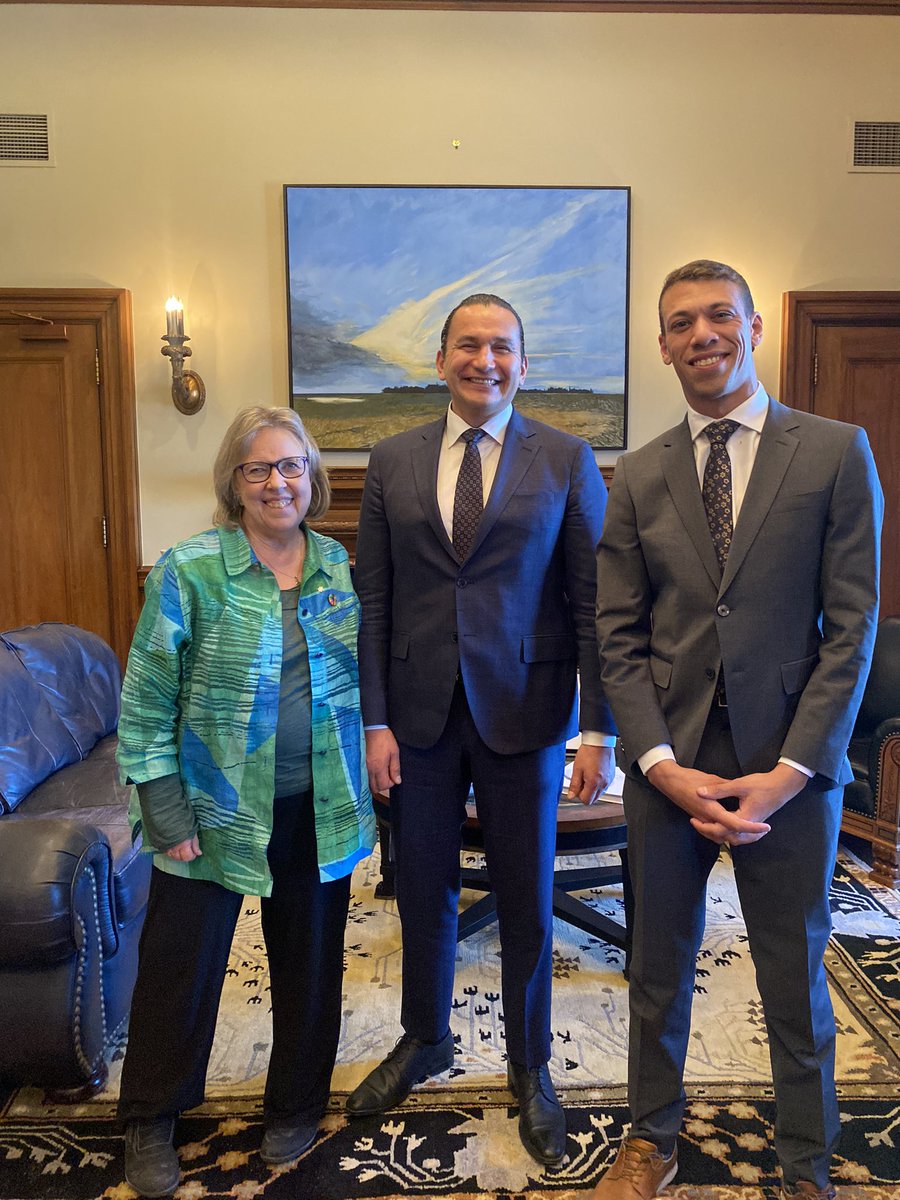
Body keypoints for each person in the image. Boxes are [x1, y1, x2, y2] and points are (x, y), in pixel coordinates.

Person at [593, 260, 883, 1200]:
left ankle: (804, 1160)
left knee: (793, 971)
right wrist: (661, 764)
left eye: (721, 315)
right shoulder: (636, 475)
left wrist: (797, 767)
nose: (702, 334)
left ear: (755, 328)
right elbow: (618, 635)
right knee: (657, 970)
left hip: (788, 765)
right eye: (682, 323)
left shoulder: (836, 451)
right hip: (670, 767)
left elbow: (853, 625)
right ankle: (652, 1140)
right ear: (665, 344)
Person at [349, 293, 617, 1165]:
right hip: (417, 720)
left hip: (527, 715)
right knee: (422, 891)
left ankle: (530, 1067)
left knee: (528, 902)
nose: (485, 360)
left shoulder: (569, 459)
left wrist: (596, 732)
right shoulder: (389, 461)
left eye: (502, 347)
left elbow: (592, 605)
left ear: (523, 364)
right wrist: (375, 721)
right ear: (441, 359)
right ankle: (426, 1038)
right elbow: (376, 601)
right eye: (469, 345)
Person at [116, 406, 375, 1198]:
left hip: (318, 806)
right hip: (212, 811)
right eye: (258, 468)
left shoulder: (338, 565)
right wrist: (163, 807)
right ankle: (151, 1118)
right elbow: (147, 698)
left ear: (313, 477)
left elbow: (364, 686)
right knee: (180, 968)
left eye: (291, 466)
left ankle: (295, 1104)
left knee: (311, 962)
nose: (277, 482)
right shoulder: (188, 570)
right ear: (234, 481)